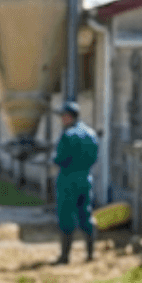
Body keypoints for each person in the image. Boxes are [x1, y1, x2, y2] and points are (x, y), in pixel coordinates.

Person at [52, 100, 99, 264]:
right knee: (86, 214)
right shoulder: (91, 134)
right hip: (85, 178)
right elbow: (94, 157)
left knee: (66, 215)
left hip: (68, 180)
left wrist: (53, 158)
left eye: (63, 116)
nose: (62, 120)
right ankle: (91, 253)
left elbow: (60, 158)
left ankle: (65, 256)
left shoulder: (68, 135)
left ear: (68, 116)